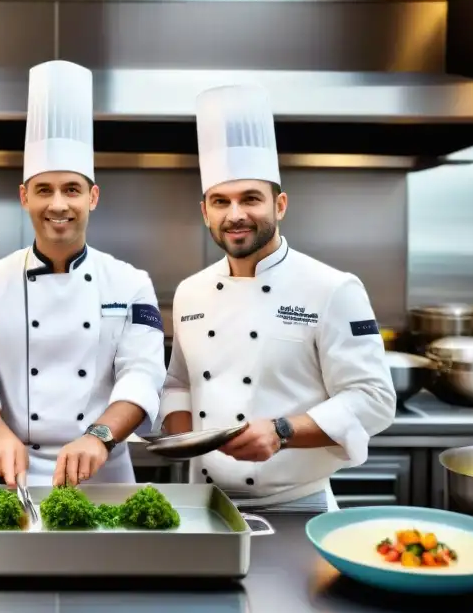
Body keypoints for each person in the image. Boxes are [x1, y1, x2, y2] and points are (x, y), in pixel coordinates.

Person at [160, 83, 396, 512]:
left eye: (251, 198)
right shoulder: (190, 292)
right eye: (221, 201)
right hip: (204, 504)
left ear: (280, 204)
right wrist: (181, 438)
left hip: (298, 506)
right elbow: (178, 382)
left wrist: (283, 430)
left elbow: (374, 398)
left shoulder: (332, 288)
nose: (235, 215)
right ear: (205, 211)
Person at [0, 60, 167, 488]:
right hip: (17, 470)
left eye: (72, 189)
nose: (59, 205)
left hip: (106, 469)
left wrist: (99, 437)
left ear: (94, 197)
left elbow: (143, 374)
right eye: (44, 190)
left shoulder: (131, 282)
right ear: (24, 197)